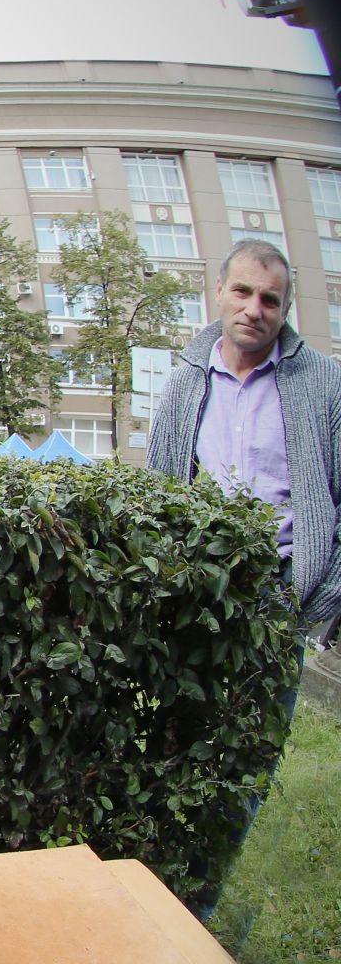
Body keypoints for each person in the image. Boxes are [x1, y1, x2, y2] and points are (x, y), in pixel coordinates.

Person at [148, 240, 341, 831]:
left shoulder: (324, 384)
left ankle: (209, 878)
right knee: (183, 732)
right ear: (219, 292)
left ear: (285, 311)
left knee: (252, 747)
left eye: (271, 300)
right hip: (201, 590)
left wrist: (318, 598)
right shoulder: (184, 382)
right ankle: (167, 861)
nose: (255, 308)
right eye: (243, 291)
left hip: (284, 588)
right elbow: (159, 489)